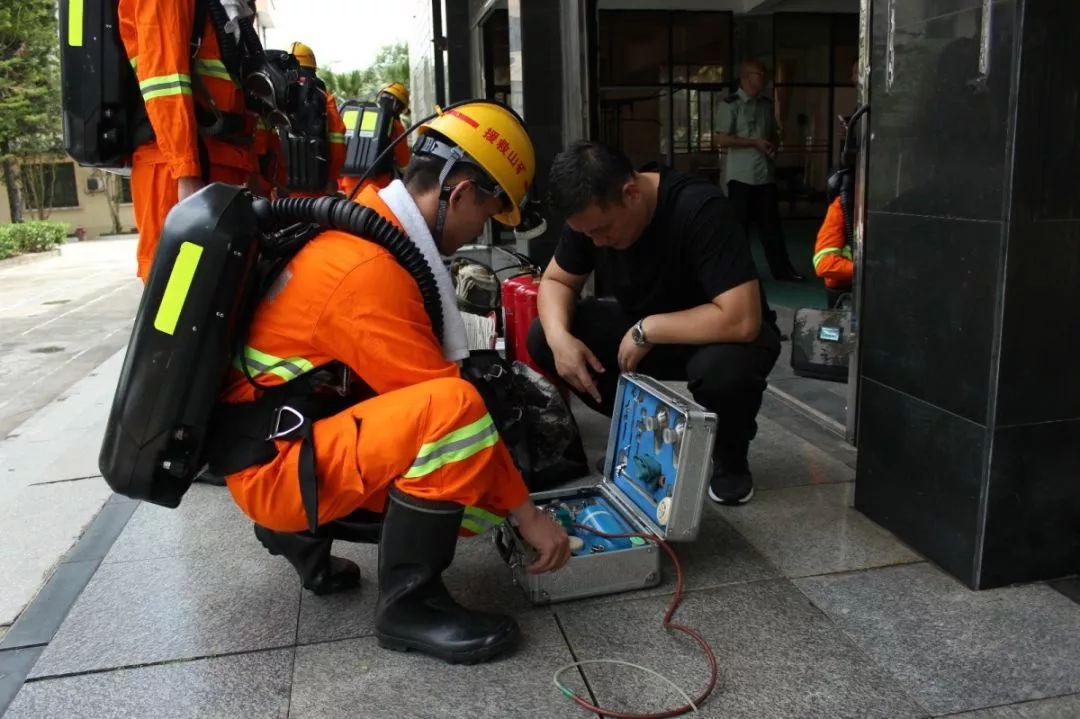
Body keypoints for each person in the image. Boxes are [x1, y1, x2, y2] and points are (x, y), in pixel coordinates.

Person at [209, 101, 569, 665]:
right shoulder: (367, 270)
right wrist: (529, 516)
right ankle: (411, 607)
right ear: (460, 193)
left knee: (450, 432)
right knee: (457, 421)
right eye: (489, 214)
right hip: (275, 469)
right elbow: (452, 408)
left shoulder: (369, 225)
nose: (482, 230)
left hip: (274, 439)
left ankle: (301, 536)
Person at [526, 141, 781, 506]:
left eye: (602, 230)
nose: (597, 242)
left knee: (722, 370)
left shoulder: (700, 208)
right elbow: (556, 282)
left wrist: (648, 329)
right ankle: (645, 440)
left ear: (630, 193)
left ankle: (730, 456)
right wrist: (558, 338)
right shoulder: (590, 217)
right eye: (587, 235)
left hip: (722, 335)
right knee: (544, 335)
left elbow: (741, 319)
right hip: (646, 332)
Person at [119, 0, 261, 282]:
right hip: (179, 169)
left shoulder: (228, 9)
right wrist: (187, 176)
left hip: (221, 163)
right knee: (179, 299)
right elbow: (164, 84)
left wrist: (254, 171)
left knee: (221, 297)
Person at [717, 60, 804, 282]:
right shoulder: (730, 104)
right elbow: (722, 138)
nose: (763, 78)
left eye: (764, 74)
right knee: (739, 229)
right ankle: (738, 274)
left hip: (765, 175)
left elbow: (773, 133)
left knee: (771, 227)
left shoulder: (766, 104)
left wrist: (772, 144)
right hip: (741, 176)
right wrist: (753, 142)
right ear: (745, 77)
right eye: (759, 74)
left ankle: (783, 271)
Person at [287, 41, 347, 196]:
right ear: (313, 69)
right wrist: (332, 179)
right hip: (318, 191)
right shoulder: (324, 98)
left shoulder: (275, 95)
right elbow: (337, 144)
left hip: (283, 192)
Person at [339, 82, 412, 196]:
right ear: (399, 106)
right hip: (377, 188)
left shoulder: (357, 116)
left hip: (348, 186)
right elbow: (403, 165)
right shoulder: (395, 124)